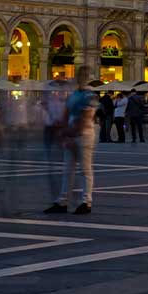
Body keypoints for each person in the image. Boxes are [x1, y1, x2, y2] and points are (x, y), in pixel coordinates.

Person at [48, 81, 98, 215]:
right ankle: (63, 201)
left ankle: (86, 202)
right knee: (68, 170)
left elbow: (85, 118)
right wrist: (65, 133)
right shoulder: (74, 97)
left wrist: (69, 134)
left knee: (85, 169)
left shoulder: (89, 97)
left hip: (84, 136)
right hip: (72, 135)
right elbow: (66, 115)